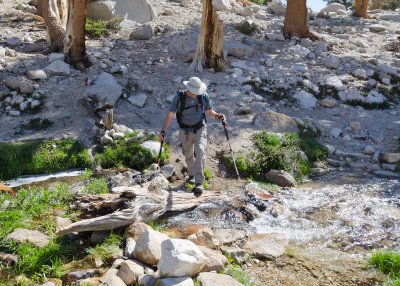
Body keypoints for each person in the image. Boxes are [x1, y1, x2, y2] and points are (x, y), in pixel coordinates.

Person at [160, 77, 225, 194]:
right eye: (195, 92)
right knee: (188, 154)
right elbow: (170, 115)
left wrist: (218, 116)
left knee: (200, 150)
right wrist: (163, 131)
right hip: (185, 130)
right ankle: (192, 175)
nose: (196, 94)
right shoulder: (179, 98)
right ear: (189, 89)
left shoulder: (203, 96)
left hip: (200, 128)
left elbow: (210, 112)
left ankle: (199, 182)